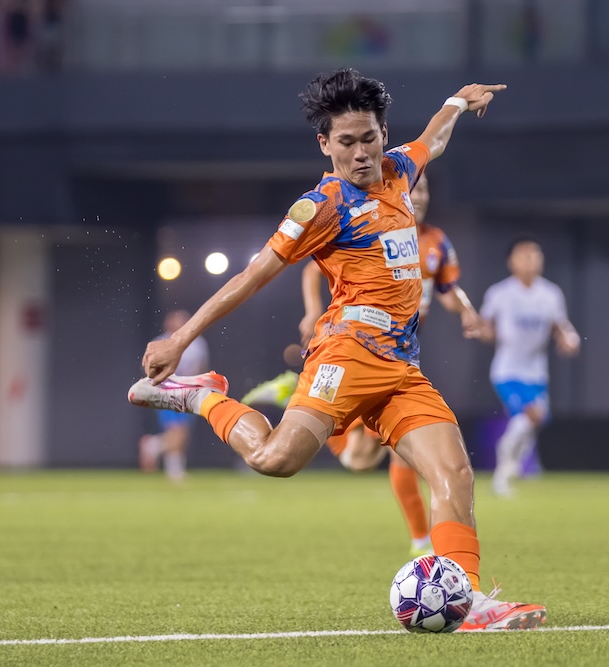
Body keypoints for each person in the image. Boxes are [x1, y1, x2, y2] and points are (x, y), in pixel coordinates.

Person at [129, 69, 546, 631]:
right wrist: (181, 339)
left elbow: (434, 138)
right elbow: (253, 276)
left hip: (400, 367)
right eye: (346, 142)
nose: (360, 153)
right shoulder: (320, 205)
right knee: (275, 460)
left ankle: (468, 602)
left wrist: (456, 101)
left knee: (455, 474)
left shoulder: (399, 169)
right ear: (324, 144)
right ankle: (202, 397)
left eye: (369, 138)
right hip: (344, 356)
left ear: (383, 134)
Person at [241, 173, 481, 557]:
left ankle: (425, 545)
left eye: (424, 190)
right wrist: (312, 310)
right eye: (413, 188)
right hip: (352, 352)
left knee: (390, 457)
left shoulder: (436, 242)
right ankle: (296, 391)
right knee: (356, 460)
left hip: (397, 358)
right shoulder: (373, 221)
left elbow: (447, 289)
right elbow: (309, 268)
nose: (418, 196)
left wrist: (466, 311)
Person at [469, 238, 580, 497]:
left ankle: (511, 465)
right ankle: (503, 469)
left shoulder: (550, 294)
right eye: (524, 254)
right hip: (507, 370)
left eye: (535, 254)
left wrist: (569, 339)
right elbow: (486, 326)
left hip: (536, 372)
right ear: (511, 261)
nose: (530, 259)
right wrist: (480, 330)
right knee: (527, 417)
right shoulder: (500, 293)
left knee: (531, 423)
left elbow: (560, 327)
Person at [139, 310, 209, 481]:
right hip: (167, 391)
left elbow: (201, 367)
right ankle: (168, 463)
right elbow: (147, 367)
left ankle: (163, 456)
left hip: (188, 391)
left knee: (182, 433)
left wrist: (197, 386)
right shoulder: (160, 342)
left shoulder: (197, 344)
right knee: (176, 431)